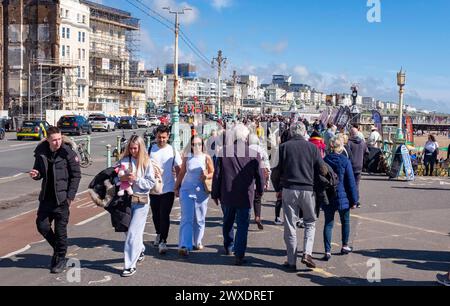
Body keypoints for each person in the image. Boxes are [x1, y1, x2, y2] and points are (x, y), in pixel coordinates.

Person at [272, 122, 325, 271]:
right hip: (308, 189)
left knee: (290, 225)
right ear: (304, 132)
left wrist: (277, 188)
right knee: (310, 222)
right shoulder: (312, 148)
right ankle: (307, 253)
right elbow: (322, 168)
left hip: (289, 189)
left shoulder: (284, 147)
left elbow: (276, 171)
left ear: (291, 132)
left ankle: (291, 260)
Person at [29, 127, 81, 274]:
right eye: (54, 140)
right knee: (42, 226)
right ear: (48, 139)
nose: (57, 142)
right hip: (46, 197)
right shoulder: (41, 152)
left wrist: (70, 197)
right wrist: (36, 174)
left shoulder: (68, 153)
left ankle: (61, 258)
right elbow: (38, 171)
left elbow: (76, 176)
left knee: (60, 231)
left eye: (59, 139)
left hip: (62, 199)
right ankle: (58, 250)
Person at [212, 124, 265, 266]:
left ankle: (229, 246)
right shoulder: (254, 154)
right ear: (246, 137)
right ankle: (239, 254)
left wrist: (214, 194)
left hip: (227, 194)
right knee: (242, 225)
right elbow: (260, 176)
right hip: (245, 195)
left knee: (228, 221)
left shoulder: (224, 152)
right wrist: (260, 191)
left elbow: (217, 175)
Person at [117, 135, 156, 277]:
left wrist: (137, 180)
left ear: (140, 148)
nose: (133, 151)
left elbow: (150, 183)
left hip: (141, 200)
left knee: (133, 233)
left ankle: (129, 265)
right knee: (128, 231)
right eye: (130, 148)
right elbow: (115, 175)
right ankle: (139, 249)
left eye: (135, 148)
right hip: (125, 200)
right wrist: (121, 178)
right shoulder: (123, 160)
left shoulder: (146, 162)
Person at [174, 136, 214, 256]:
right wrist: (176, 187)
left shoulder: (206, 157)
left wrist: (207, 176)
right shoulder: (187, 157)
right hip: (186, 190)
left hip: (201, 191)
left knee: (200, 219)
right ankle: (185, 245)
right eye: (194, 144)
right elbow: (181, 173)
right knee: (186, 218)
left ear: (202, 145)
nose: (196, 146)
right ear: (190, 145)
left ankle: (197, 241)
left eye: (199, 144)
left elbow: (213, 172)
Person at [322, 136, 359, 261]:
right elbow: (351, 182)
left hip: (328, 195)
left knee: (328, 223)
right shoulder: (345, 161)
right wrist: (354, 200)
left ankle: (327, 251)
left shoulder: (325, 160)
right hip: (343, 196)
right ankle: (344, 245)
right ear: (341, 147)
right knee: (345, 221)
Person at [148, 125, 182, 255]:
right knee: (155, 214)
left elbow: (179, 169)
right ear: (155, 136)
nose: (161, 140)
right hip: (153, 188)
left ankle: (163, 241)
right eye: (159, 137)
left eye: (163, 137)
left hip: (168, 188)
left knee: (164, 215)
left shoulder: (172, 151)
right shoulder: (151, 149)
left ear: (168, 137)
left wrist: (178, 187)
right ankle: (158, 233)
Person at [249, 134, 271, 231]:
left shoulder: (245, 149)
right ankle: (257, 216)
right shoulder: (261, 149)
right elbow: (267, 164)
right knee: (258, 198)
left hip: (248, 175)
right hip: (260, 173)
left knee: (248, 198)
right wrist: (267, 180)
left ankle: (246, 216)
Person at [347, 128, 368, 208]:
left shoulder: (349, 143)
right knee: (356, 184)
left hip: (350, 165)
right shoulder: (362, 142)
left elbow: (347, 154)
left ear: (351, 134)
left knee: (349, 184)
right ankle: (356, 201)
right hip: (359, 165)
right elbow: (367, 153)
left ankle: (352, 201)